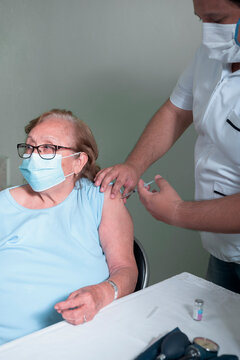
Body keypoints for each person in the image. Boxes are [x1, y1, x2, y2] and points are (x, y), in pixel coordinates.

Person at [94, 0, 240, 293]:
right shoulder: (211, 56)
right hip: (221, 252)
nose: (207, 33)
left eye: (217, 18)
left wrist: (176, 211)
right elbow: (175, 112)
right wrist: (133, 166)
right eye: (201, 19)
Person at [0, 109, 138, 345]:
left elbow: (126, 269)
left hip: (84, 339)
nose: (33, 155)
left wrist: (102, 293)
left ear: (78, 161)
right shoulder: (4, 206)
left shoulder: (101, 199)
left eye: (47, 148)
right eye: (30, 147)